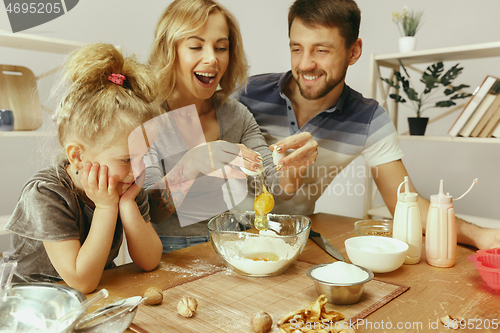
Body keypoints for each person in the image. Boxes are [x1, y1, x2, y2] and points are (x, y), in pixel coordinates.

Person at [237, 0, 500, 250]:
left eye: (321, 50)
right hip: (226, 233)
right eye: (296, 48)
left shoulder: (368, 118)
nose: (305, 64)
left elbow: (406, 205)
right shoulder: (248, 93)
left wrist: (483, 237)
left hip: (293, 242)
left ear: (354, 51)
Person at [144, 0, 318, 253]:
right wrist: (191, 164)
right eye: (195, 46)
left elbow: (276, 184)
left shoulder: (236, 115)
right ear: (170, 51)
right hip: (167, 251)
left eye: (221, 47)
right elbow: (148, 211)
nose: (212, 58)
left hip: (227, 242)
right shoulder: (146, 116)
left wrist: (294, 163)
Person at [4, 43, 163, 293]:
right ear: (77, 156)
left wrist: (127, 206)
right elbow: (82, 279)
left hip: (91, 296)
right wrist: (106, 206)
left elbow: (150, 260)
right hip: (31, 301)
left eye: (145, 156)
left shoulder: (126, 185)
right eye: (125, 159)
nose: (138, 169)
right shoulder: (46, 194)